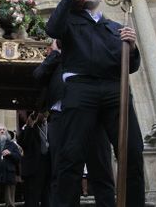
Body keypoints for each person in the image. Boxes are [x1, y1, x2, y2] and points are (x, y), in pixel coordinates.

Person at [46, 0, 145, 206]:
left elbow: (131, 66)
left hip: (114, 89)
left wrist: (131, 48)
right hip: (81, 89)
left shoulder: (116, 28)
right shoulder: (68, 21)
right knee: (71, 154)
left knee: (131, 152)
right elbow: (52, 28)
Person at [33, 39, 115, 207]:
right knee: (62, 174)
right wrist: (54, 54)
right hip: (62, 118)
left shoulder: (91, 53)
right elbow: (38, 75)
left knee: (102, 171)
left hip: (93, 116)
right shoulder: (56, 60)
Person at [17, 112, 50, 207]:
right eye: (42, 114)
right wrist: (29, 126)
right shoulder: (29, 127)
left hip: (47, 165)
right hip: (33, 168)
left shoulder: (51, 126)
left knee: (47, 195)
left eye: (46, 114)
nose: (45, 116)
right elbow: (23, 143)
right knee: (32, 197)